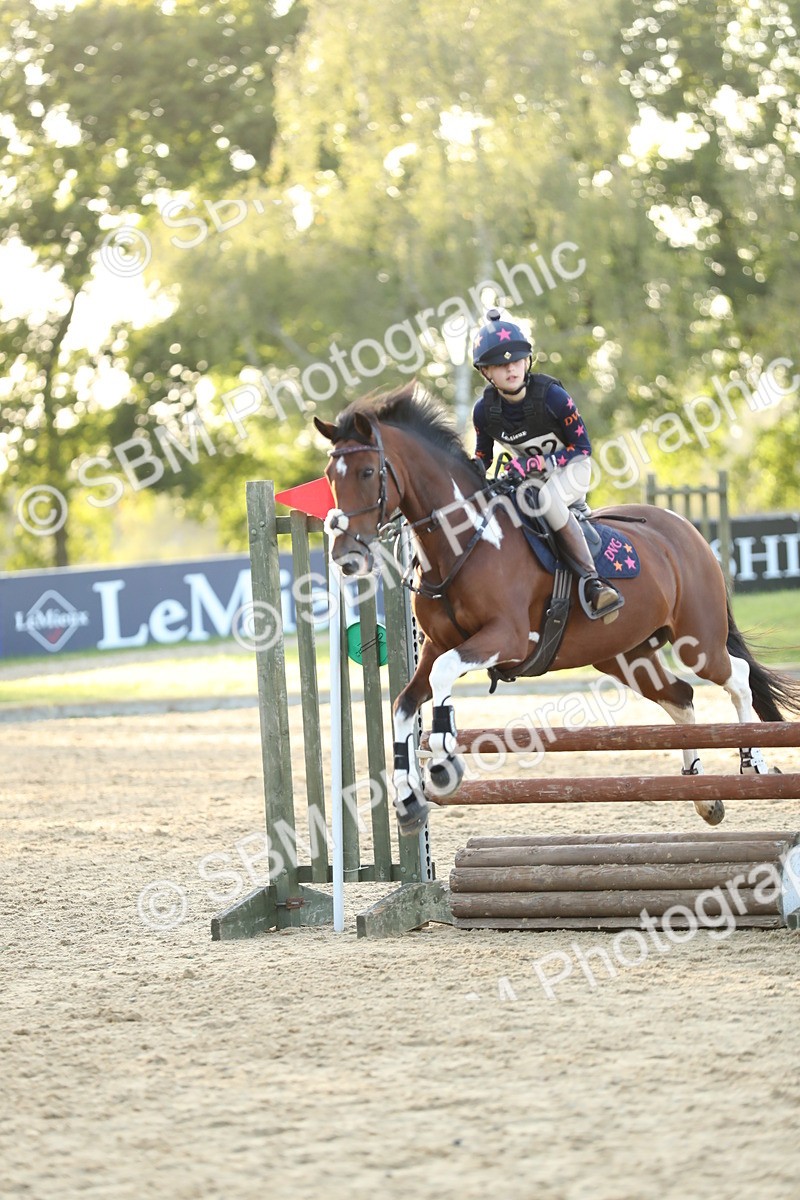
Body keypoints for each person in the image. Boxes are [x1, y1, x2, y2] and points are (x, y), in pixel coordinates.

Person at [471, 307, 623, 619]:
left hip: (573, 468)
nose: (510, 369)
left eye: (516, 361)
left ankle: (594, 584)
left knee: (547, 499)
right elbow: (482, 459)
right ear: (486, 372)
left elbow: (583, 447)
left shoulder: (553, 397)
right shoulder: (483, 412)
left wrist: (542, 461)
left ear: (527, 361)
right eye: (500, 365)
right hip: (529, 480)